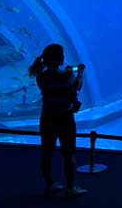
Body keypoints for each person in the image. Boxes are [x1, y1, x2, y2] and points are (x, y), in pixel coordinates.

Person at [30, 44, 87, 198]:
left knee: (47, 152)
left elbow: (55, 83)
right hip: (64, 117)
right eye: (61, 55)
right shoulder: (68, 76)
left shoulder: (40, 77)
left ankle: (50, 184)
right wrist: (80, 72)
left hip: (47, 117)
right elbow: (77, 86)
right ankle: (70, 187)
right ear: (57, 58)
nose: (63, 57)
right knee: (68, 153)